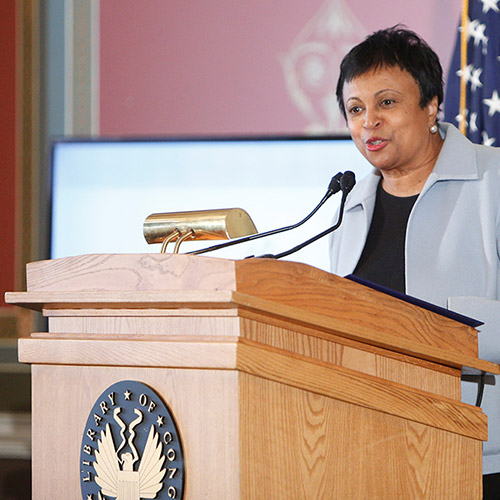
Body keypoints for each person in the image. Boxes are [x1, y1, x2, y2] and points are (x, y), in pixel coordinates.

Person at [329, 26, 500, 499]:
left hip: (481, 462)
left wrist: (440, 331)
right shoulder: (347, 208)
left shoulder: (493, 181)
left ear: (430, 106)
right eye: (356, 109)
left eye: (386, 103)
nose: (369, 123)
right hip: (372, 453)